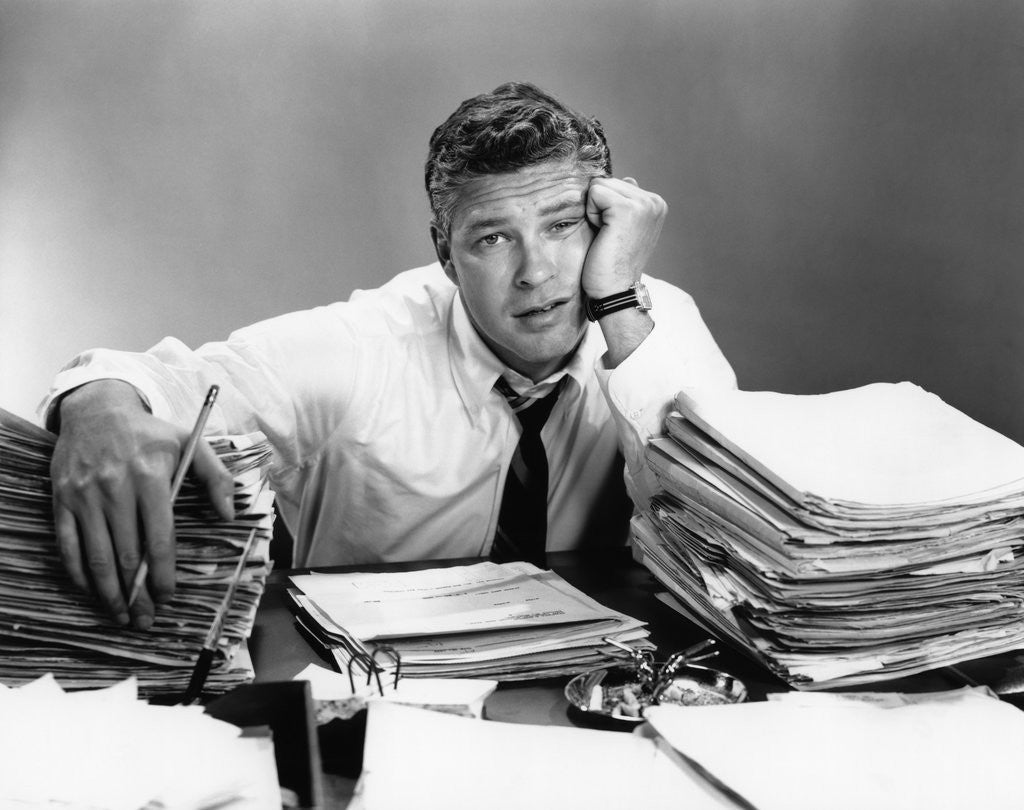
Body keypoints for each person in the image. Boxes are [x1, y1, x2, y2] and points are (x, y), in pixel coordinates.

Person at [42, 82, 736, 630]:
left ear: (610, 224)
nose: (535, 273)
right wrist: (97, 406)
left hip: (597, 692)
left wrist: (617, 302)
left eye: (562, 227)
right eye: (493, 239)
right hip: (379, 698)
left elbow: (734, 515)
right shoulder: (361, 349)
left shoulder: (645, 320)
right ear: (444, 253)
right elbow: (144, 382)